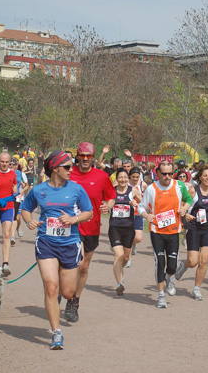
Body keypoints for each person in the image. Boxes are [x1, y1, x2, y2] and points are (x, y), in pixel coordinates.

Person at [21, 150, 93, 350]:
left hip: (70, 244)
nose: (72, 170)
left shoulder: (77, 189)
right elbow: (25, 209)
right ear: (55, 168)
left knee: (68, 292)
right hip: (46, 242)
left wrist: (74, 219)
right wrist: (30, 221)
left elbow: (89, 211)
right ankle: (57, 333)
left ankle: (62, 299)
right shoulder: (38, 190)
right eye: (68, 166)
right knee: (51, 286)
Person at [67, 142, 116, 322]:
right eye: (82, 156)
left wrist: (107, 206)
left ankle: (75, 301)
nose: (86, 159)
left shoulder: (102, 176)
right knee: (77, 263)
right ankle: (66, 293)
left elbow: (111, 196)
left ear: (93, 157)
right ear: (78, 157)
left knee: (85, 267)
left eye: (89, 156)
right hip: (71, 226)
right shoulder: (69, 173)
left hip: (92, 227)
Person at [138, 160, 193, 308]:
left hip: (174, 231)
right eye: (164, 174)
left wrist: (185, 209)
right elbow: (141, 207)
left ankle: (170, 278)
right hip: (157, 231)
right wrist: (146, 216)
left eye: (170, 173)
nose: (167, 177)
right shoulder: (151, 189)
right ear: (158, 173)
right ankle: (161, 295)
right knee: (160, 262)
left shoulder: (179, 186)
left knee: (172, 266)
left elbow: (189, 199)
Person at [175, 166, 208, 300]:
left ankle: (196, 289)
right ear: (200, 177)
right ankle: (184, 265)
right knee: (193, 261)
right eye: (205, 175)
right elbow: (182, 207)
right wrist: (186, 216)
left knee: (204, 260)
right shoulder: (192, 191)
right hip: (194, 228)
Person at [107, 169, 141, 295]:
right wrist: (108, 206)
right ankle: (119, 283)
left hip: (129, 228)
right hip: (115, 227)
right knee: (119, 255)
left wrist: (136, 204)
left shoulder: (133, 191)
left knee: (125, 257)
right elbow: (109, 203)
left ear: (128, 179)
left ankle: (121, 271)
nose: (122, 180)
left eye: (125, 177)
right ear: (117, 179)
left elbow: (144, 204)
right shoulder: (112, 191)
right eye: (120, 177)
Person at [126, 166, 148, 268]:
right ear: (129, 176)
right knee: (129, 236)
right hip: (126, 214)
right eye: (133, 177)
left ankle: (134, 245)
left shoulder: (143, 185)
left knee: (138, 238)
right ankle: (128, 258)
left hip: (138, 213)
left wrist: (139, 203)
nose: (135, 179)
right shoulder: (125, 183)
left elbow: (147, 200)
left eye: (137, 177)